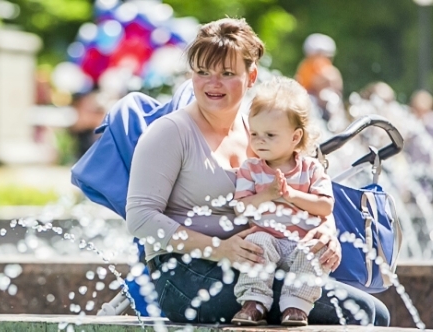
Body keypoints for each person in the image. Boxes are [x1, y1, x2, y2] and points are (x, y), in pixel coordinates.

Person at [125, 17, 389, 325]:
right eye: (202, 72)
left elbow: (306, 183)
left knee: (376, 312)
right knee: (362, 314)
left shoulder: (259, 130)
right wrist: (220, 249)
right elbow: (140, 219)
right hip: (187, 274)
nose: (213, 83)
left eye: (227, 73)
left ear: (251, 76)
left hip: (256, 264)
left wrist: (326, 231)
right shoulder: (169, 133)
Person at [230, 77, 333, 326]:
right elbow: (240, 208)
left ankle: (296, 306)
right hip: (269, 238)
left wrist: (291, 195)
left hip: (301, 241)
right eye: (254, 133)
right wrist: (267, 194)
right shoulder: (251, 169)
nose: (259, 140)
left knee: (314, 251)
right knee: (255, 242)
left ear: (295, 137)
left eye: (270, 135)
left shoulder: (311, 168)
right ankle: (254, 302)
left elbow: (325, 206)